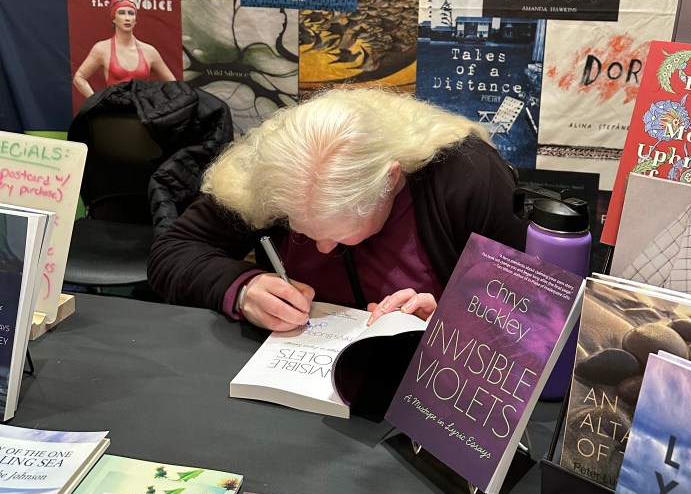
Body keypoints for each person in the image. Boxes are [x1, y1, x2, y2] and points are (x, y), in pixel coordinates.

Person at [147, 86, 527, 331]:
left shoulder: (467, 176)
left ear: (391, 180)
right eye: (302, 232)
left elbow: (530, 315)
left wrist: (452, 319)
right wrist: (244, 289)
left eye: (341, 235)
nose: (323, 249)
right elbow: (173, 252)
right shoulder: (280, 165)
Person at [72, 0, 176, 98]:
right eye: (121, 13)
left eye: (131, 13)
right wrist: (97, 102)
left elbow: (174, 85)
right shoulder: (102, 49)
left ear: (135, 20)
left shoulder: (149, 51)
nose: (127, 18)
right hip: (115, 112)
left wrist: (157, 103)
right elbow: (79, 78)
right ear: (113, 18)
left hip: (142, 112)